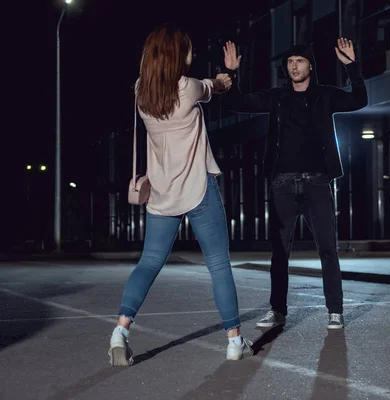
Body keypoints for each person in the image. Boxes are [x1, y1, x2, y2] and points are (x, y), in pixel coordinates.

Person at [108, 24, 252, 367]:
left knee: (149, 262)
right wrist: (228, 73)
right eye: (187, 49)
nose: (193, 54)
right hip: (197, 188)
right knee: (218, 265)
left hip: (161, 192)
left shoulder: (142, 91)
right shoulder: (187, 88)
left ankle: (120, 332)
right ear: (176, 54)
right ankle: (234, 341)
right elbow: (215, 87)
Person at [222, 38, 368, 330]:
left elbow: (359, 100)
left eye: (299, 61)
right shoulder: (276, 97)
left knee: (328, 248)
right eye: (290, 62)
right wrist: (231, 74)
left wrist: (352, 66)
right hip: (283, 186)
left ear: (310, 66)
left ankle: (335, 311)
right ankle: (277, 310)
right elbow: (236, 103)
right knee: (279, 253)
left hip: (317, 184)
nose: (294, 66)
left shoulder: (326, 95)